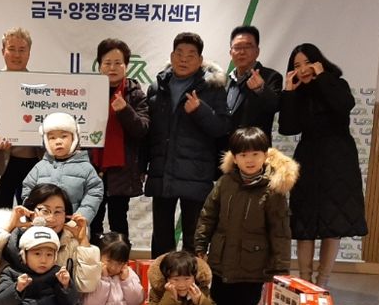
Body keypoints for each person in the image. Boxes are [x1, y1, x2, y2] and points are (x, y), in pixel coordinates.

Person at [194, 127, 299, 305]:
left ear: (265, 155)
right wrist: (200, 245)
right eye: (243, 155)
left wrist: (279, 267)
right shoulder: (225, 183)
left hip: (253, 266)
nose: (249, 160)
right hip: (221, 261)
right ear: (235, 157)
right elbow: (208, 215)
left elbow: (280, 231)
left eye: (255, 154)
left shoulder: (272, 190)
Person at [279, 43, 368, 287]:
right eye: (297, 65)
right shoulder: (298, 93)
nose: (302, 69)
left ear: (318, 63)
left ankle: (322, 282)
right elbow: (288, 128)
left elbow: (343, 106)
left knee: (333, 221)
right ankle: (304, 281)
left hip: (338, 160)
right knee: (304, 222)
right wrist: (289, 93)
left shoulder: (336, 83)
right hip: (308, 158)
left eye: (307, 63)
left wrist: (323, 78)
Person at [143, 32, 231, 257]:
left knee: (194, 237)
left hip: (196, 173)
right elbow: (149, 133)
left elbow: (222, 128)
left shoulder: (212, 88)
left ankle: (193, 279)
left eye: (191, 55)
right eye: (179, 53)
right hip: (162, 171)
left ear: (200, 60)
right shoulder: (157, 87)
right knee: (161, 236)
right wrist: (143, 166)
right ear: (172, 56)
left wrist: (200, 111)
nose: (184, 59)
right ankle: (161, 278)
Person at [89, 39, 150, 244]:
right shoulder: (87, 91)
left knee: (118, 219)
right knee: (92, 219)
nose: (112, 68)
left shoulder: (135, 94)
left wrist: (125, 110)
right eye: (107, 63)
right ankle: (92, 260)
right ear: (99, 65)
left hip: (121, 169)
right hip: (92, 167)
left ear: (126, 66)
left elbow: (142, 130)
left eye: (118, 63)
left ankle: (119, 261)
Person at [0, 27, 41, 211]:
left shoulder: (41, 84)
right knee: (0, 215)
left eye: (22, 49)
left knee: (32, 215)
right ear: (3, 51)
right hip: (2, 161)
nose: (17, 55)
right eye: (11, 49)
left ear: (29, 52)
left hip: (36, 161)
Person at [22, 112, 104, 222]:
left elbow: (94, 193)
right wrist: (33, 213)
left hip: (73, 226)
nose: (58, 141)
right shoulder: (39, 167)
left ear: (74, 138)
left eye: (64, 136)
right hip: (43, 224)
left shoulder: (86, 168)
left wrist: (81, 217)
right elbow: (27, 191)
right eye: (52, 138)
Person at [226, 25, 282, 144]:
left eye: (247, 46)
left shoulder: (271, 76)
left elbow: (275, 106)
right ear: (231, 52)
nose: (242, 52)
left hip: (255, 149)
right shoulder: (225, 81)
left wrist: (261, 89)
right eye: (237, 47)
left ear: (257, 51)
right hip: (226, 150)